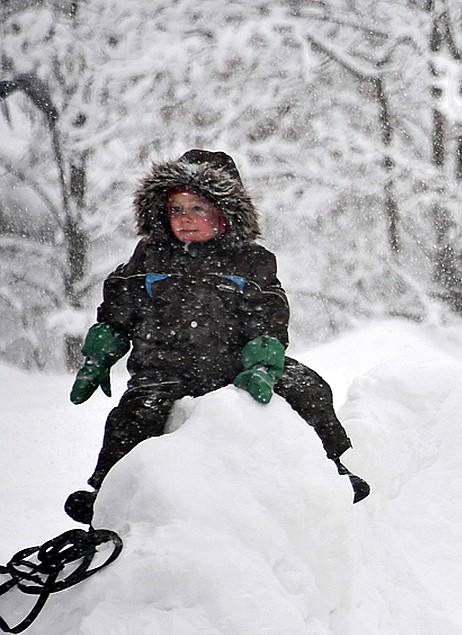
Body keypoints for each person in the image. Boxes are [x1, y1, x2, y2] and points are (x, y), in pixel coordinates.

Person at [64, 149, 369, 525]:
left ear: (226, 214)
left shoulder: (251, 262)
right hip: (162, 369)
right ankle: (104, 492)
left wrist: (261, 361)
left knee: (309, 387)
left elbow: (268, 314)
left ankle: (334, 467)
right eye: (176, 210)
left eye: (198, 209)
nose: (185, 220)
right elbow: (119, 306)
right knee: (134, 417)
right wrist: (101, 353)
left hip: (231, 366)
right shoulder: (150, 257)